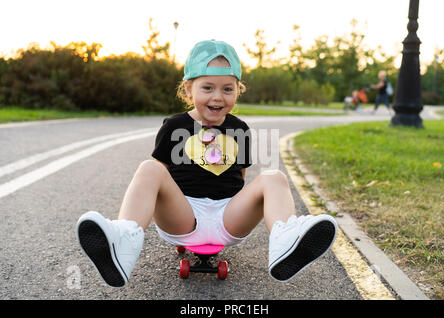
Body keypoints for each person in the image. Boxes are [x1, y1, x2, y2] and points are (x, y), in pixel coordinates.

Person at [75, 40, 338, 287]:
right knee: (150, 169)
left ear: (238, 91)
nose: (218, 97)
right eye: (208, 87)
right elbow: (158, 183)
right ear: (189, 89)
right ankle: (122, 242)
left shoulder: (240, 129)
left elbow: (241, 177)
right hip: (183, 216)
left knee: (274, 177)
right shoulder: (175, 126)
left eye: (227, 89)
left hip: (228, 218)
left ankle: (286, 241)